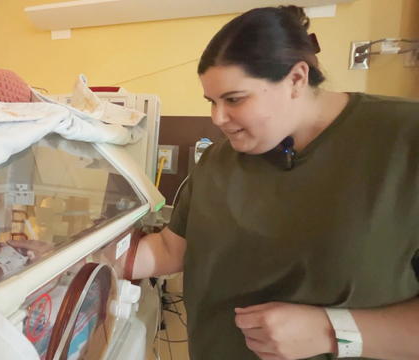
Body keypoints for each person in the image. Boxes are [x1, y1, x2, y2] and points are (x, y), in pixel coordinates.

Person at [129, 5, 419, 360]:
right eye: (212, 102)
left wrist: (332, 333)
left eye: (234, 99)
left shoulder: (403, 142)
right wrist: (78, 261)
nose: (218, 118)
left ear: (296, 78)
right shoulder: (220, 160)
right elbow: (171, 250)